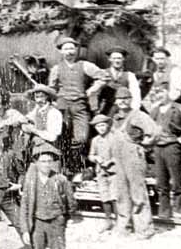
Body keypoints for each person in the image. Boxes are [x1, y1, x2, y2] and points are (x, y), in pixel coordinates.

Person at [20, 144, 74, 249]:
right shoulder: (30, 182)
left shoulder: (60, 180)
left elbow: (71, 203)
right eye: (43, 161)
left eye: (49, 161)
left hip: (56, 224)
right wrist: (25, 230)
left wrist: (63, 220)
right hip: (37, 225)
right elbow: (25, 206)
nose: (46, 165)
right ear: (36, 163)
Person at [48, 37, 100, 174]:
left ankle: (77, 166)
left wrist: (93, 89)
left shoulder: (85, 65)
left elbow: (103, 76)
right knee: (62, 136)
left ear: (76, 50)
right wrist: (54, 101)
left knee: (81, 137)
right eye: (66, 49)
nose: (69, 52)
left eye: (72, 48)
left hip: (79, 105)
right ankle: (66, 167)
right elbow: (51, 88)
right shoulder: (56, 69)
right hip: (62, 106)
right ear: (61, 51)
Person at [150, 87, 181, 219]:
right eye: (157, 92)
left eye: (162, 92)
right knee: (161, 182)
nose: (159, 95)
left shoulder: (179, 108)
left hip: (172, 147)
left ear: (168, 93)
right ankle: (164, 212)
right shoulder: (154, 111)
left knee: (176, 180)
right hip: (158, 148)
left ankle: (179, 210)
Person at [108, 120, 157, 238]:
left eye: (125, 99)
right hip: (118, 154)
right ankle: (125, 227)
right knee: (122, 194)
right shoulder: (116, 115)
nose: (122, 102)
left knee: (138, 193)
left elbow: (155, 133)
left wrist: (141, 143)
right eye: (119, 100)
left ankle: (144, 229)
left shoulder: (139, 115)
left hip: (133, 153)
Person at [86, 115, 117, 231]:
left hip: (114, 171)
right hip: (101, 171)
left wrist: (110, 161)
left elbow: (119, 155)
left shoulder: (114, 138)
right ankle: (108, 221)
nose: (101, 128)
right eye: (98, 126)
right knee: (105, 196)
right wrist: (96, 158)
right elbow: (90, 155)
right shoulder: (95, 140)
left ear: (107, 125)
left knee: (115, 195)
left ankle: (119, 221)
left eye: (103, 125)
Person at [20, 84, 63, 158]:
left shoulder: (54, 113)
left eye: (42, 96)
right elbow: (27, 118)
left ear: (47, 97)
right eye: (37, 97)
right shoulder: (36, 110)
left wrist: (33, 130)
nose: (39, 100)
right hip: (36, 147)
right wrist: (24, 124)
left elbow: (52, 137)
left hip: (50, 149)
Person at [99, 48, 142, 114]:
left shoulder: (130, 75)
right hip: (105, 109)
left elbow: (135, 95)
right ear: (109, 59)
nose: (117, 61)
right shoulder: (102, 73)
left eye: (119, 58)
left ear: (123, 59)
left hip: (123, 110)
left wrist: (134, 112)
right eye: (114, 58)